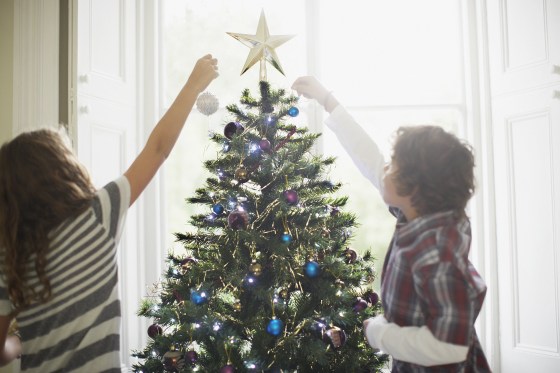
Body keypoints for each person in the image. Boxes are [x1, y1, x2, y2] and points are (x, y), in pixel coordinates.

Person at [0, 54, 219, 372]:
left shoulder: (9, 256)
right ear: (62, 170)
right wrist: (193, 84)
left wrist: (19, 343)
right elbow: (158, 148)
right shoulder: (97, 215)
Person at [292, 76, 491, 372]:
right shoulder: (418, 214)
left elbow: (449, 346)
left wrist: (380, 333)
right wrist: (328, 101)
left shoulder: (436, 251)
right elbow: (371, 160)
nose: (385, 167)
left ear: (415, 186)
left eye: (394, 165)